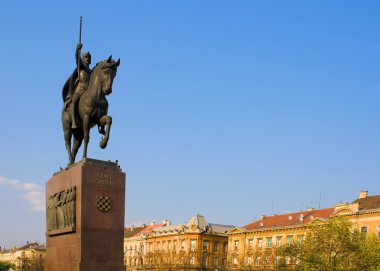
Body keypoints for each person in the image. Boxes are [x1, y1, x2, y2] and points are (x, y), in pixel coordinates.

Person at [62, 42, 92, 129]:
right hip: (81, 90)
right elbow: (77, 58)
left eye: (89, 57)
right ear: (83, 59)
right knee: (74, 101)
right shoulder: (81, 67)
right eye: (86, 57)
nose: (88, 59)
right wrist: (77, 50)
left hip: (89, 92)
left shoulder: (91, 71)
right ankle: (74, 121)